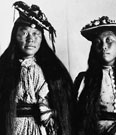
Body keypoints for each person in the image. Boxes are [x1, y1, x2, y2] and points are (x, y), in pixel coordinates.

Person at [0, 1, 75, 135]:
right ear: (15, 36)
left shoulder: (54, 71)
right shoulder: (3, 68)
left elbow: (65, 108)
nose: (31, 39)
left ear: (42, 38)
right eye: (25, 33)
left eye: (36, 34)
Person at [74, 16, 116, 135]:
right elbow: (75, 117)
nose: (103, 46)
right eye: (98, 42)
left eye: (109, 40)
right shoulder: (84, 80)